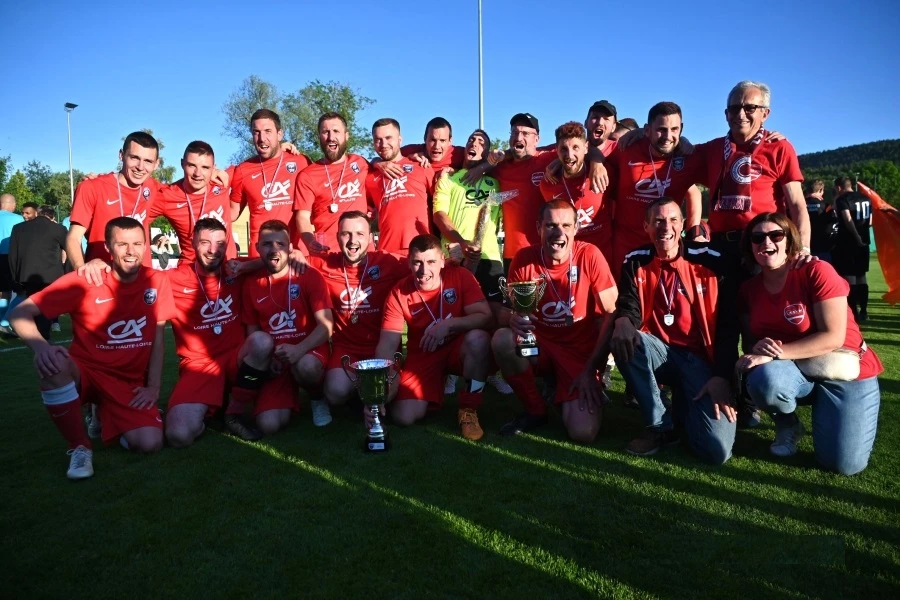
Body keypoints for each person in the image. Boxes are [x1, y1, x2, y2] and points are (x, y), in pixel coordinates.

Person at [9, 217, 176, 479]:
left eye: (137, 244)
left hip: (127, 382)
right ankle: (80, 446)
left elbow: (157, 340)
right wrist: (42, 348)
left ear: (146, 246)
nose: (131, 251)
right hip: (87, 373)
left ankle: (104, 413)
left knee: (150, 443)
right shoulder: (85, 279)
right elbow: (19, 313)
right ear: (108, 248)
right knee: (53, 363)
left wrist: (154, 387)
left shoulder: (157, 281)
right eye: (122, 244)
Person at [735, 212, 882, 475]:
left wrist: (775, 354)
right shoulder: (748, 289)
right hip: (794, 371)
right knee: (764, 380)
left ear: (789, 241)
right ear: (750, 246)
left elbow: (833, 337)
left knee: (844, 465)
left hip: (843, 368)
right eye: (757, 237)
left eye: (776, 235)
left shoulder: (815, 270)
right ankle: (788, 424)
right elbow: (752, 344)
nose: (766, 242)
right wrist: (757, 351)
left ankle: (831, 411)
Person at [611, 197, 737, 463]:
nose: (665, 227)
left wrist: (721, 376)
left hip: (701, 361)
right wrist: (623, 319)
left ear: (682, 224)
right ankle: (659, 426)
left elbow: (728, 326)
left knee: (716, 451)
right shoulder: (635, 260)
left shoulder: (712, 260)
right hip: (658, 352)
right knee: (625, 338)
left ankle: (682, 408)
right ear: (646, 226)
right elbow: (630, 306)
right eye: (657, 221)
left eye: (672, 220)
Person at [492, 200, 618, 442]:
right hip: (539, 348)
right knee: (502, 340)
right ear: (538, 227)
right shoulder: (524, 258)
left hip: (578, 354)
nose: (559, 233)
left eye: (566, 225)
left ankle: (565, 388)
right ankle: (535, 410)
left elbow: (611, 315)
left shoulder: (590, 255)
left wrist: (592, 369)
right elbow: (505, 313)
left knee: (583, 433)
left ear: (576, 228)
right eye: (550, 225)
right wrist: (513, 319)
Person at [375, 234, 494, 440]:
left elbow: (485, 317)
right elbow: (388, 342)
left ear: (442, 261)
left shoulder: (460, 275)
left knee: (479, 340)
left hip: (458, 347)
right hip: (424, 354)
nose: (424, 270)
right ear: (409, 262)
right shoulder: (399, 292)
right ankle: (431, 390)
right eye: (417, 262)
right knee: (403, 416)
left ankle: (469, 409)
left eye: (431, 262)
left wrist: (448, 325)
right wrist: (380, 381)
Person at [235, 220, 334, 434]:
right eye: (267, 244)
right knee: (268, 425)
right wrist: (267, 358)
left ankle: (317, 398)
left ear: (290, 248)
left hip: (308, 350)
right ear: (257, 248)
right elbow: (253, 332)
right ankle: (275, 396)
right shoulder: (251, 283)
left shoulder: (309, 276)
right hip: (277, 358)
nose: (274, 249)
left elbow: (326, 326)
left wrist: (299, 349)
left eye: (280, 244)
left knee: (307, 367)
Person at [308, 211, 408, 409]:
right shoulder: (324, 263)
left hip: (382, 348)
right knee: (335, 393)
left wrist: (454, 259)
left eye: (360, 234)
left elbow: (425, 264)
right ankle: (360, 391)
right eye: (346, 234)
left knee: (387, 394)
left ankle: (369, 394)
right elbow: (283, 260)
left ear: (370, 237)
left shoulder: (389, 262)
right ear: (337, 237)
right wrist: (293, 254)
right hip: (346, 350)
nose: (353, 241)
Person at [164, 218, 249, 447]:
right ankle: (212, 407)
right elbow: (134, 277)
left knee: (260, 344)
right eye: (205, 242)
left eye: (220, 244)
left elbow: (271, 259)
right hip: (199, 364)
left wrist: (294, 253)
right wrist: (98, 265)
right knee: (178, 435)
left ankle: (235, 409)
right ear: (192, 243)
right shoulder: (173, 279)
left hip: (237, 360)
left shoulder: (236, 270)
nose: (213, 250)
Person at [606, 102, 704, 270]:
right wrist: (595, 163)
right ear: (647, 130)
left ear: (681, 129)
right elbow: (593, 153)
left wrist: (694, 231)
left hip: (666, 246)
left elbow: (694, 191)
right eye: (661, 129)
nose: (668, 136)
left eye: (674, 129)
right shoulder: (626, 148)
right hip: (626, 247)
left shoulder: (686, 156)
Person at [67, 131, 162, 269]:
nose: (140, 167)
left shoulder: (155, 189)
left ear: (156, 164)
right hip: (101, 276)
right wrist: (82, 271)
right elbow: (73, 238)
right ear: (121, 155)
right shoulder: (91, 187)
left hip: (141, 278)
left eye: (148, 161)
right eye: (134, 157)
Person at [230, 109, 312, 258]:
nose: (262, 138)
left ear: (279, 134)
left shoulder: (301, 162)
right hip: (259, 257)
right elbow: (232, 213)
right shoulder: (243, 170)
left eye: (268, 131)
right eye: (256, 132)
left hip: (296, 255)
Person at [294, 112, 370, 254]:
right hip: (328, 254)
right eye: (325, 132)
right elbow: (302, 216)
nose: (331, 137)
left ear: (346, 135)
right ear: (319, 137)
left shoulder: (361, 163)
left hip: (364, 253)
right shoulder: (307, 175)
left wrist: (380, 163)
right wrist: (310, 242)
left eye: (336, 131)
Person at [151, 141, 237, 265]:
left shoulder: (222, 182)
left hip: (228, 268)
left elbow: (252, 168)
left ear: (213, 168)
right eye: (192, 165)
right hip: (191, 270)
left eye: (205, 167)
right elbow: (136, 219)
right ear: (182, 164)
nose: (198, 174)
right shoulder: (166, 196)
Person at [539, 122, 613, 265]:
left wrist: (597, 162)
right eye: (564, 149)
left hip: (602, 257)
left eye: (575, 148)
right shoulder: (548, 184)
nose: (569, 155)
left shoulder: (603, 175)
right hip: (568, 261)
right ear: (556, 150)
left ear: (586, 148)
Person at [364, 118, 434, 253]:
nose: (383, 144)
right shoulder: (370, 177)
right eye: (378, 140)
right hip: (387, 252)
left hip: (422, 251)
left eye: (388, 138)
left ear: (400, 139)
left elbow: (441, 204)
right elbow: (368, 215)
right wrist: (375, 162)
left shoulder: (421, 166)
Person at [7, 204, 68, 339]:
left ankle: (36, 333)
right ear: (51, 216)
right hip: (50, 276)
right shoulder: (58, 228)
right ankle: (42, 335)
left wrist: (15, 278)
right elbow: (70, 248)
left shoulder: (19, 228)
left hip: (26, 275)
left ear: (37, 213)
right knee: (44, 306)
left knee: (33, 304)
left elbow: (13, 255)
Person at [832, 177, 872, 321]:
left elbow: (848, 220)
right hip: (865, 241)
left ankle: (853, 313)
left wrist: (856, 236)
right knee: (861, 276)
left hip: (849, 242)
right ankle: (864, 311)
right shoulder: (866, 198)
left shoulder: (842, 199)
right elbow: (870, 221)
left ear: (839, 187)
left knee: (850, 278)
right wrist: (863, 236)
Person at [0, 193, 23, 331]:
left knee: (3, 290)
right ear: (12, 204)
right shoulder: (18, 218)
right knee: (16, 291)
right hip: (10, 257)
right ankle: (4, 321)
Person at [805, 179, 838, 262]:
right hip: (823, 247)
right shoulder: (827, 206)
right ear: (821, 190)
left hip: (804, 246)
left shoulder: (800, 205)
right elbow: (834, 223)